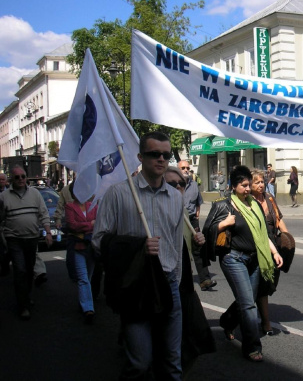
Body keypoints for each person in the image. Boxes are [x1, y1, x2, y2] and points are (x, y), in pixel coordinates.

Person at [92, 131, 184, 380]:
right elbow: (99, 241)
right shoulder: (118, 194)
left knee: (172, 362)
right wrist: (135, 249)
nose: (161, 159)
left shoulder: (176, 198)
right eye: (155, 154)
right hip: (136, 287)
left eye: (166, 155)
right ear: (140, 157)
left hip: (167, 284)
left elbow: (176, 245)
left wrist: (175, 280)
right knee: (140, 363)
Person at [202, 165, 283, 362]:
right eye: (243, 185)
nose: (247, 189)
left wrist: (274, 251)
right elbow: (207, 230)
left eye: (249, 185)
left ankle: (227, 321)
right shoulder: (223, 205)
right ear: (233, 186)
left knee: (246, 300)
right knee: (248, 305)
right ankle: (252, 347)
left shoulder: (254, 204)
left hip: (254, 259)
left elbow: (262, 232)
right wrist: (224, 223)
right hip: (233, 258)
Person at [164, 166, 216, 372]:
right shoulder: (154, 211)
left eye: (181, 184)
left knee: (196, 341)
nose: (178, 188)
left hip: (184, 286)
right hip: (161, 286)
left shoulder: (183, 213)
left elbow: (189, 249)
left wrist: (198, 241)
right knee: (167, 345)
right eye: (171, 184)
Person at [0, 166, 52, 319]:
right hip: (13, 238)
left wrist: (48, 232)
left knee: (29, 270)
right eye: (17, 177)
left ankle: (26, 295)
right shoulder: (4, 196)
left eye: (23, 176)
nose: (21, 179)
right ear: (11, 180)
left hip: (31, 237)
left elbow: (43, 213)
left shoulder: (35, 194)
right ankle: (22, 306)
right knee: (20, 270)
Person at [251, 169, 288, 335]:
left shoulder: (269, 198)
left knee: (267, 284)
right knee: (260, 286)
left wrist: (287, 238)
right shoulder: (248, 201)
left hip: (273, 243)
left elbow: (279, 219)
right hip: (257, 246)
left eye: (262, 181)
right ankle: (265, 322)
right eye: (257, 182)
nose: (261, 185)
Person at [178, 160, 216, 291]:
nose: (186, 170)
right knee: (182, 249)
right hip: (179, 219)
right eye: (183, 168)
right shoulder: (173, 184)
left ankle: (205, 279)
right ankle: (182, 280)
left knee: (198, 248)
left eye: (187, 167)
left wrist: (197, 216)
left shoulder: (194, 184)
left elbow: (198, 201)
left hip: (192, 219)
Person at [65, 183, 98, 324]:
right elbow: (72, 225)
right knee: (83, 278)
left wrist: (85, 226)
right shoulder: (70, 206)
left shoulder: (93, 205)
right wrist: (90, 224)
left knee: (88, 277)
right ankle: (88, 309)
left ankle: (83, 301)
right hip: (78, 246)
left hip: (91, 246)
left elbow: (99, 222)